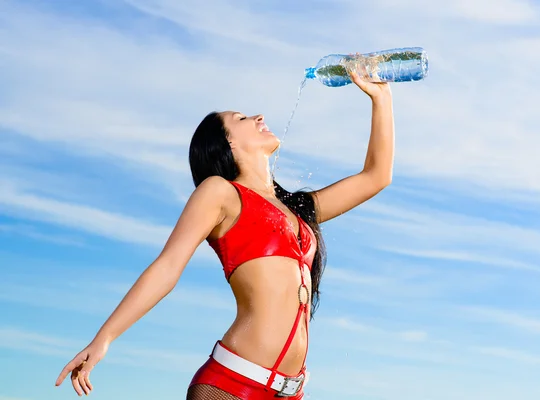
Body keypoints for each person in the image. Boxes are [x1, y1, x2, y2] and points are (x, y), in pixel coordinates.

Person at [55, 70, 395, 399]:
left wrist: (381, 97)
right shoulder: (220, 193)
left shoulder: (297, 209)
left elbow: (376, 176)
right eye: (242, 117)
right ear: (227, 141)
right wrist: (105, 338)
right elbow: (167, 267)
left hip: (290, 392)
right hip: (232, 385)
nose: (259, 116)